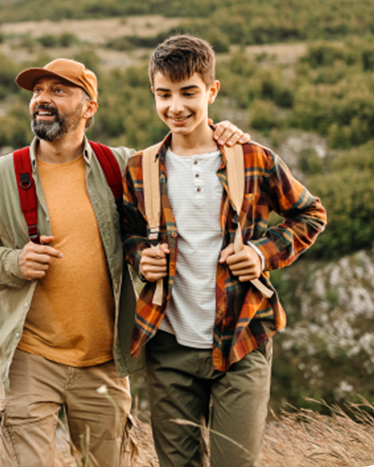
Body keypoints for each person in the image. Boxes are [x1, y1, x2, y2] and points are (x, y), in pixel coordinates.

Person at [0, 58, 247, 467]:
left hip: (106, 362)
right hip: (30, 356)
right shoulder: (1, 174)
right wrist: (14, 261)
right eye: (38, 90)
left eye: (58, 91)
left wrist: (221, 134)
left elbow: (184, 156)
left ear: (89, 107)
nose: (42, 99)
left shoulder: (123, 166)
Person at [122, 35, 327, 467]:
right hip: (169, 344)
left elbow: (310, 214)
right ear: (153, 94)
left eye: (188, 93)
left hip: (242, 337)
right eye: (164, 94)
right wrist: (140, 255)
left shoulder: (254, 158)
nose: (175, 106)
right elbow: (128, 230)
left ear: (212, 91)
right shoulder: (140, 167)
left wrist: (262, 254)